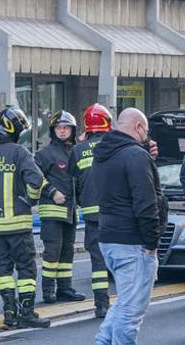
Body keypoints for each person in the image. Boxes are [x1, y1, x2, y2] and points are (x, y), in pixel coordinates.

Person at [93, 108, 165, 345]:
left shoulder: (104, 153)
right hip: (133, 241)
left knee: (124, 303)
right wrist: (152, 243)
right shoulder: (135, 156)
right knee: (131, 311)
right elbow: (146, 202)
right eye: (146, 131)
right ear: (138, 127)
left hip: (109, 236)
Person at [0, 106, 50, 329]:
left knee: (3, 270)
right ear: (15, 130)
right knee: (26, 269)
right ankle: (26, 312)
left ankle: (9, 312)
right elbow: (36, 181)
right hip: (18, 225)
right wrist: (30, 200)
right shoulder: (20, 152)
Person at [35, 111, 85, 304]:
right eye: (59, 128)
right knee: (52, 253)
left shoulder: (75, 152)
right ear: (53, 130)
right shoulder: (44, 154)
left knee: (67, 252)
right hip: (52, 214)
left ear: (72, 130)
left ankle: (65, 289)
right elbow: (33, 177)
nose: (63, 131)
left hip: (70, 213)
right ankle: (48, 291)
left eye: (66, 128)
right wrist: (52, 192)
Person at [70, 103, 114, 319]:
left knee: (98, 262)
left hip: (91, 215)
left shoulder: (78, 150)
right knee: (121, 258)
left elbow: (73, 181)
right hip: (115, 214)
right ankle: (126, 303)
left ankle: (101, 304)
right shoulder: (116, 146)